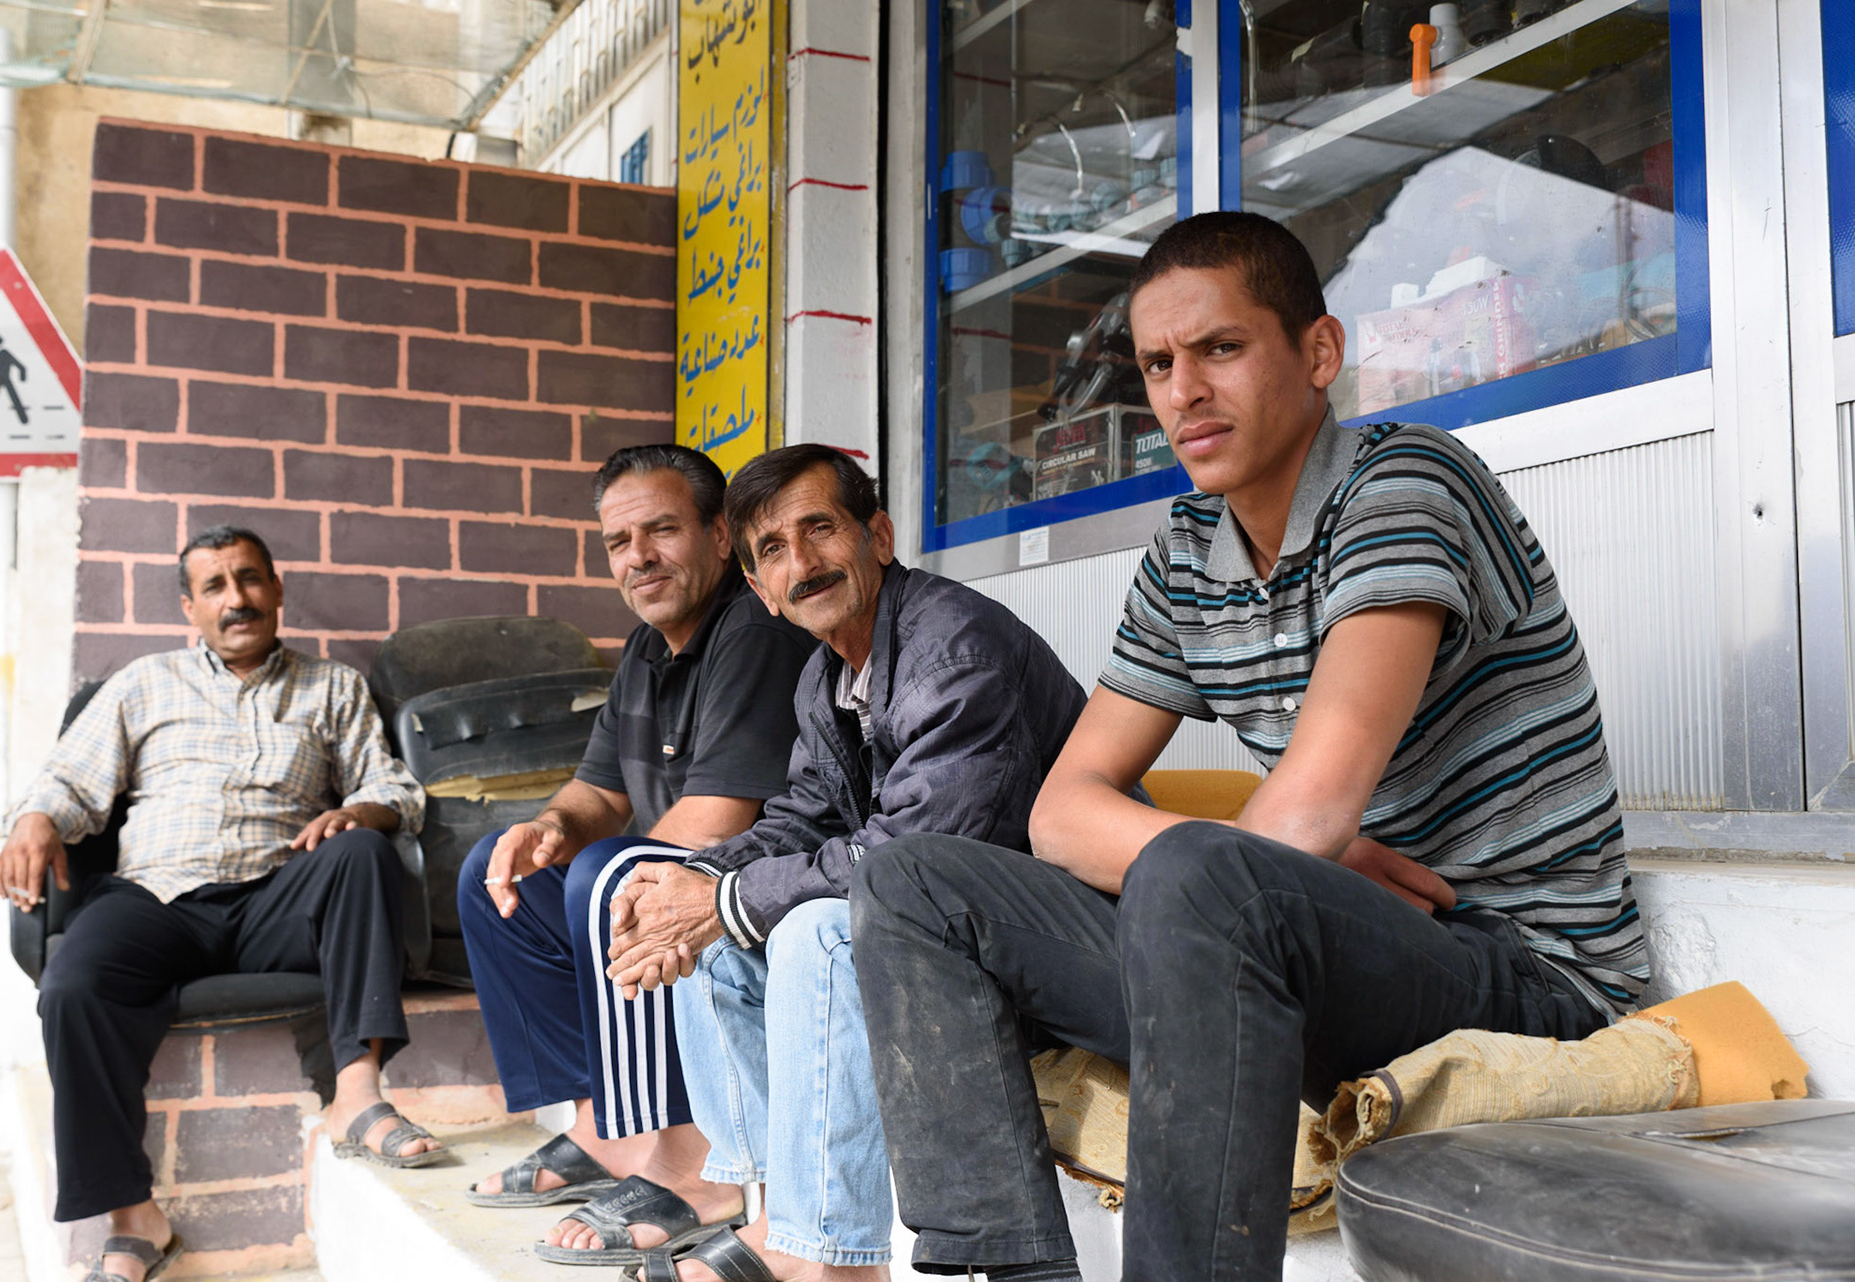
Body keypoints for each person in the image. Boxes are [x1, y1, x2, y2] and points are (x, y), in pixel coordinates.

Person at [850, 212, 1651, 1281]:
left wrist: (1260, 862)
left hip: (1517, 970)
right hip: (1301, 953)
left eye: (1221, 348)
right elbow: (1061, 813)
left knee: (1206, 873)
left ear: (1319, 354)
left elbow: (1307, 818)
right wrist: (1267, 863)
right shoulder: (1186, 552)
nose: (1184, 389)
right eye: (1158, 363)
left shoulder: (1406, 484)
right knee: (910, 884)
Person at [565, 445, 1089, 1282]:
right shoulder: (826, 679)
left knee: (816, 933)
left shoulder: (953, 647)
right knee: (714, 919)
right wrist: (694, 888)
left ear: (877, 535)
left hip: (1050, 944)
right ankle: (779, 1218)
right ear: (762, 591)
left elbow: (910, 855)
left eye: (820, 529)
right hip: (944, 938)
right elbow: (801, 817)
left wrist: (724, 898)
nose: (801, 563)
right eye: (772, 550)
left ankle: (838, 1261)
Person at [0, 525, 432, 1282]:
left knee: (362, 851)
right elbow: (69, 784)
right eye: (216, 587)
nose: (238, 600)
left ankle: (356, 1095)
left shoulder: (331, 686)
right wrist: (35, 820)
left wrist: (359, 813)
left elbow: (392, 786)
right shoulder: (142, 683)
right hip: (158, 896)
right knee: (73, 986)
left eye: (251, 580)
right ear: (189, 607)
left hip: (276, 893)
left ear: (277, 589)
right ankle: (133, 1222)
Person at [457, 444, 816, 1264]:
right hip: (682, 883)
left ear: (720, 537)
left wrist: (593, 864)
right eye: (620, 542)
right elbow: (597, 796)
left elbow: (720, 818)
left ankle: (697, 1163)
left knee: (611, 874)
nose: (639, 557)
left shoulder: (752, 629)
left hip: (761, 897)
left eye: (662, 531)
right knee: (497, 871)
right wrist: (546, 829)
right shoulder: (646, 651)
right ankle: (602, 1134)